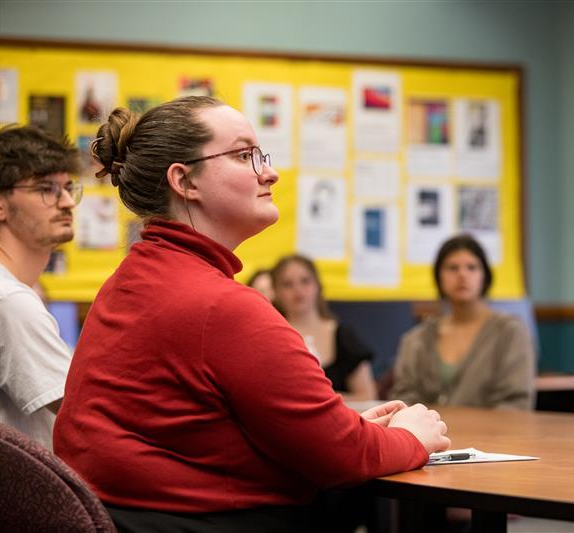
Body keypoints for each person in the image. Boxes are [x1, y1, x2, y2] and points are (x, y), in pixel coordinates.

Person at [52, 96, 450, 532]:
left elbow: (199, 435)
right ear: (184, 181)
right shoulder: (220, 305)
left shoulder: (129, 281)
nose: (269, 173)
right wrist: (411, 437)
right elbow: (345, 457)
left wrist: (344, 429)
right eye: (244, 156)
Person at [0, 124, 81, 449]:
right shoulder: (9, 300)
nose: (68, 202)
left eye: (69, 188)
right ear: (0, 205)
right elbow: (87, 415)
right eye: (47, 189)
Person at [390, 234, 535, 410]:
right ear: (439, 277)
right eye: (452, 268)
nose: (462, 274)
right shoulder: (416, 339)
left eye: (472, 267)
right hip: (428, 427)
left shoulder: (510, 332)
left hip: (494, 428)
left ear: (485, 276)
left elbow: (516, 402)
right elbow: (403, 398)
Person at [271, 255, 378, 401]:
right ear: (275, 292)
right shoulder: (272, 338)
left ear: (317, 285)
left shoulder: (343, 336)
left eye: (305, 281)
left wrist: (321, 400)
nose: (298, 289)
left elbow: (367, 397)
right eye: (287, 284)